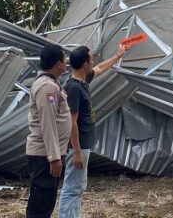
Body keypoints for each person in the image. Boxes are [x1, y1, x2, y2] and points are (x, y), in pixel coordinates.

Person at [57, 44, 125, 218]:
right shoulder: (73, 88)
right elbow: (72, 123)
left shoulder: (82, 81)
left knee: (78, 186)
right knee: (72, 187)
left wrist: (117, 56)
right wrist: (77, 151)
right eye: (91, 58)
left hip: (83, 143)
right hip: (77, 146)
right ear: (85, 64)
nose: (93, 60)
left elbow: (100, 68)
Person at [26, 44, 71, 218]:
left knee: (46, 201)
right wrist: (54, 157)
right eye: (64, 60)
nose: (66, 63)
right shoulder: (47, 87)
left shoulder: (52, 84)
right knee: (41, 203)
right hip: (45, 155)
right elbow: (48, 123)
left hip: (48, 154)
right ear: (58, 63)